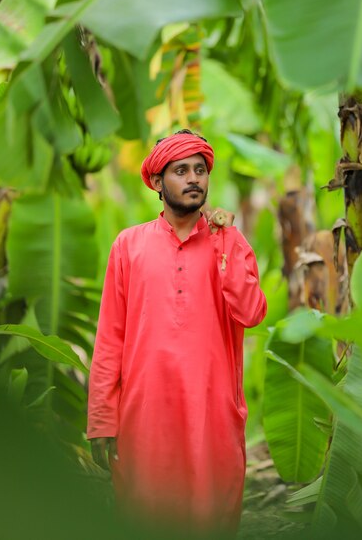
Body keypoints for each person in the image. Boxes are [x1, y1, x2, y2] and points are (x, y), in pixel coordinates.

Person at [87, 129, 267, 538]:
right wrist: (102, 420)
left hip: (211, 413)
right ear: (156, 182)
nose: (194, 179)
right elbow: (109, 338)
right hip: (144, 415)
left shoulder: (229, 242)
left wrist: (226, 244)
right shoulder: (127, 246)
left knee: (211, 515)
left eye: (200, 170)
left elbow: (253, 312)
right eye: (181, 170)